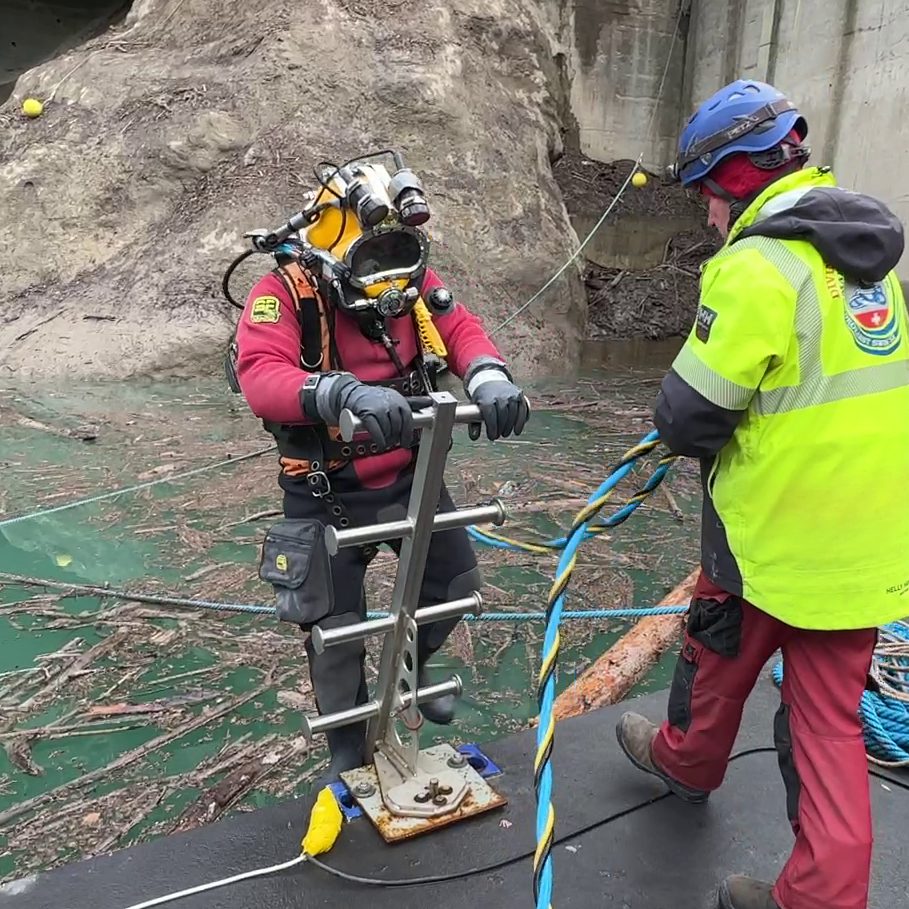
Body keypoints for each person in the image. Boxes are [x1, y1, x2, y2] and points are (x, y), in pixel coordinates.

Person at [615, 79, 909, 909]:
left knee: (713, 651)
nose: (706, 213)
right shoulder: (871, 264)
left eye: (706, 192)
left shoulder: (755, 265)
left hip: (769, 539)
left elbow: (686, 415)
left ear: (734, 178)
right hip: (869, 547)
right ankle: (818, 898)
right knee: (826, 727)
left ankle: (684, 761)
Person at [232, 153, 529, 785]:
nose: (389, 284)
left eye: (400, 257)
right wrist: (337, 393)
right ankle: (348, 739)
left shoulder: (410, 280)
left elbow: (461, 328)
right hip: (326, 491)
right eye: (371, 264)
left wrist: (491, 376)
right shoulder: (285, 292)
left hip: (411, 477)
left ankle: (413, 680)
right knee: (332, 634)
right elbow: (260, 376)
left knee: (452, 588)